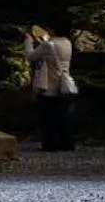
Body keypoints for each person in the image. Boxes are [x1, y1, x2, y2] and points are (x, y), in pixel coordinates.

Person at [24, 22, 77, 152]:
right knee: (63, 117)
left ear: (53, 30)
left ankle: (50, 144)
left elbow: (31, 56)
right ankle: (66, 143)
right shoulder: (67, 43)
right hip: (63, 85)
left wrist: (28, 42)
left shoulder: (49, 45)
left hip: (49, 86)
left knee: (48, 117)